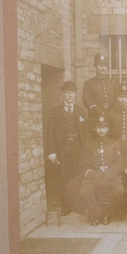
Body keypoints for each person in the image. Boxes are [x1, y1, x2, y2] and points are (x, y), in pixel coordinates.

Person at [45, 81, 90, 215]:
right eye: (67, 93)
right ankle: (66, 205)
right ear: (63, 94)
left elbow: (86, 133)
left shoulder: (80, 111)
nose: (70, 96)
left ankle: (78, 205)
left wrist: (86, 152)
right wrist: (52, 152)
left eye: (72, 93)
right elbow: (50, 133)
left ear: (75, 95)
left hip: (77, 149)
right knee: (64, 177)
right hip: (62, 149)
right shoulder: (55, 111)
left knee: (78, 177)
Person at [78, 113, 125, 226]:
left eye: (103, 128)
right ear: (95, 129)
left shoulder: (114, 144)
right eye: (99, 128)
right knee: (84, 190)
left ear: (107, 129)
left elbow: (119, 163)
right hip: (95, 175)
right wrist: (93, 176)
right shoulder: (89, 145)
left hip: (111, 175)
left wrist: (109, 176)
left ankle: (108, 214)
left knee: (119, 190)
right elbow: (83, 164)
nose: (101, 131)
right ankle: (97, 213)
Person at [82, 52, 119, 133]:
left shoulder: (112, 82)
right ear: (95, 67)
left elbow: (118, 98)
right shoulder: (89, 83)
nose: (103, 68)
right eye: (100, 65)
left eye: (104, 66)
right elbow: (87, 100)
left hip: (111, 118)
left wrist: (112, 112)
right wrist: (99, 111)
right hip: (95, 118)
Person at [107, 82, 127, 155]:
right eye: (121, 97)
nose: (123, 100)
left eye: (125, 97)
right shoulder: (111, 114)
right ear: (117, 98)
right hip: (115, 145)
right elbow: (108, 135)